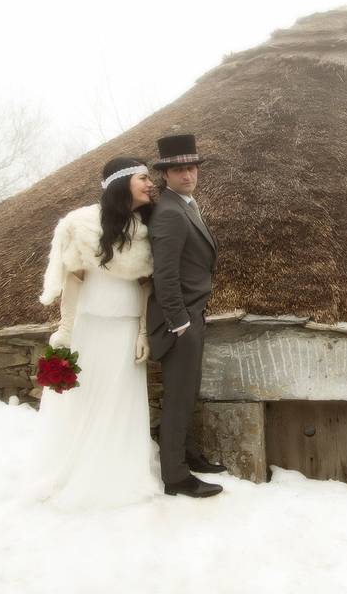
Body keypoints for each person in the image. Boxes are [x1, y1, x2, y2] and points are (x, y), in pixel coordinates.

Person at [27, 156, 163, 510]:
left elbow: (146, 290)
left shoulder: (147, 231)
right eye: (143, 178)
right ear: (122, 183)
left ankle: (117, 470)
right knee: (83, 402)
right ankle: (75, 468)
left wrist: (142, 333)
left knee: (121, 407)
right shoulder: (82, 224)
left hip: (124, 332)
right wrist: (65, 331)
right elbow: (73, 284)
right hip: (89, 329)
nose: (151, 184)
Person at [147, 133, 226, 498]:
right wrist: (179, 322)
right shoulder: (169, 212)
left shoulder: (187, 205)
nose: (187, 175)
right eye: (179, 170)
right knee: (178, 396)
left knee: (189, 390)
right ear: (166, 174)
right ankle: (176, 477)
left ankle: (186, 454)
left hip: (194, 313)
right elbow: (164, 274)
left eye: (191, 168)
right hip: (180, 321)